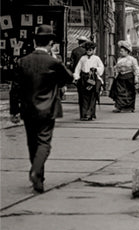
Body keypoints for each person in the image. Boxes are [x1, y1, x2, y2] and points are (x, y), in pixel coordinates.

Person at [9, 25, 74, 193]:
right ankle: (36, 172)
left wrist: (14, 110)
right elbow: (69, 77)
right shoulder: (53, 62)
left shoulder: (22, 61)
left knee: (32, 143)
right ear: (51, 43)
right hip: (47, 108)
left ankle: (39, 179)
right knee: (44, 142)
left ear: (33, 41)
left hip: (28, 108)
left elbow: (14, 88)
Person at [73, 41, 105, 120]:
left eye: (90, 50)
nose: (89, 51)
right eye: (87, 50)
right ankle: (84, 114)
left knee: (92, 96)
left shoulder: (96, 58)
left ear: (94, 50)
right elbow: (78, 68)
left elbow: (101, 67)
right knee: (83, 96)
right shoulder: (82, 58)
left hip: (92, 78)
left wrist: (96, 69)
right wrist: (76, 77)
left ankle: (90, 114)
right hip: (84, 78)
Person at [109, 41, 139, 112]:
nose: (121, 52)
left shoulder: (132, 59)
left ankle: (129, 107)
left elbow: (136, 68)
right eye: (120, 51)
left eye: (122, 51)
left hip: (129, 77)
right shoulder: (119, 59)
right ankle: (119, 107)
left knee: (129, 93)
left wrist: (136, 78)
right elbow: (117, 68)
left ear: (127, 51)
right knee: (120, 92)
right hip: (120, 77)